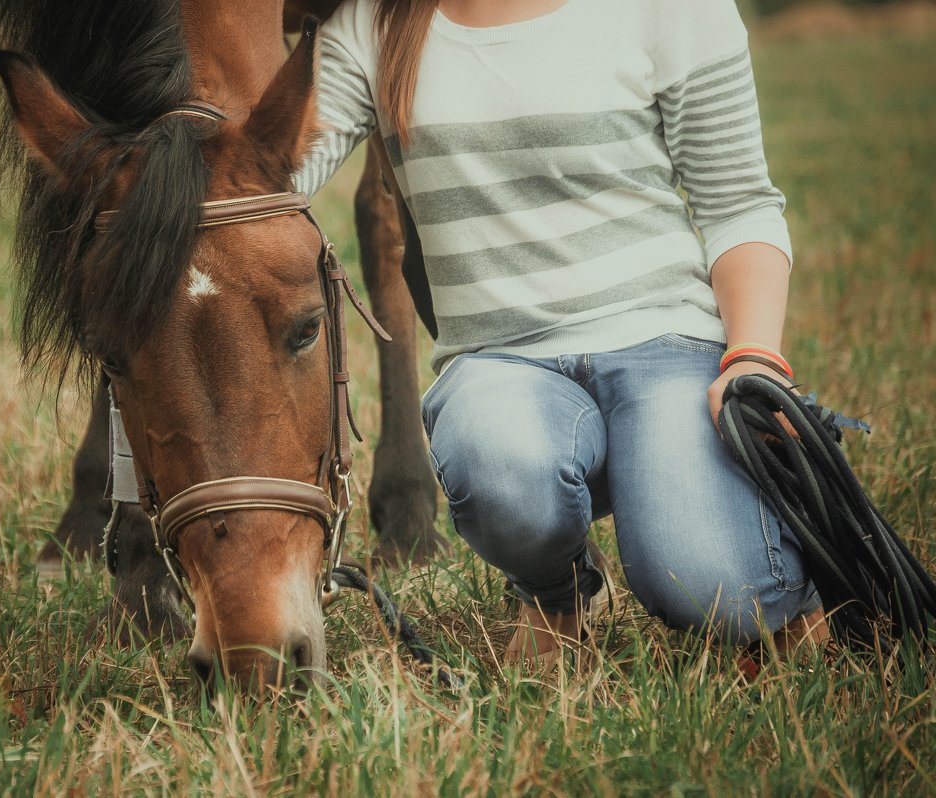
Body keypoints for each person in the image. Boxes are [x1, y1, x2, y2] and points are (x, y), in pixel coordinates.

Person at [293, 0, 829, 669]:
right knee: (499, 469)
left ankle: (791, 590)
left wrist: (753, 356)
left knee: (708, 585)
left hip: (665, 344)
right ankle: (558, 593)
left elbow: (738, 202)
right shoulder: (372, 25)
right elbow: (268, 182)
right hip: (501, 363)